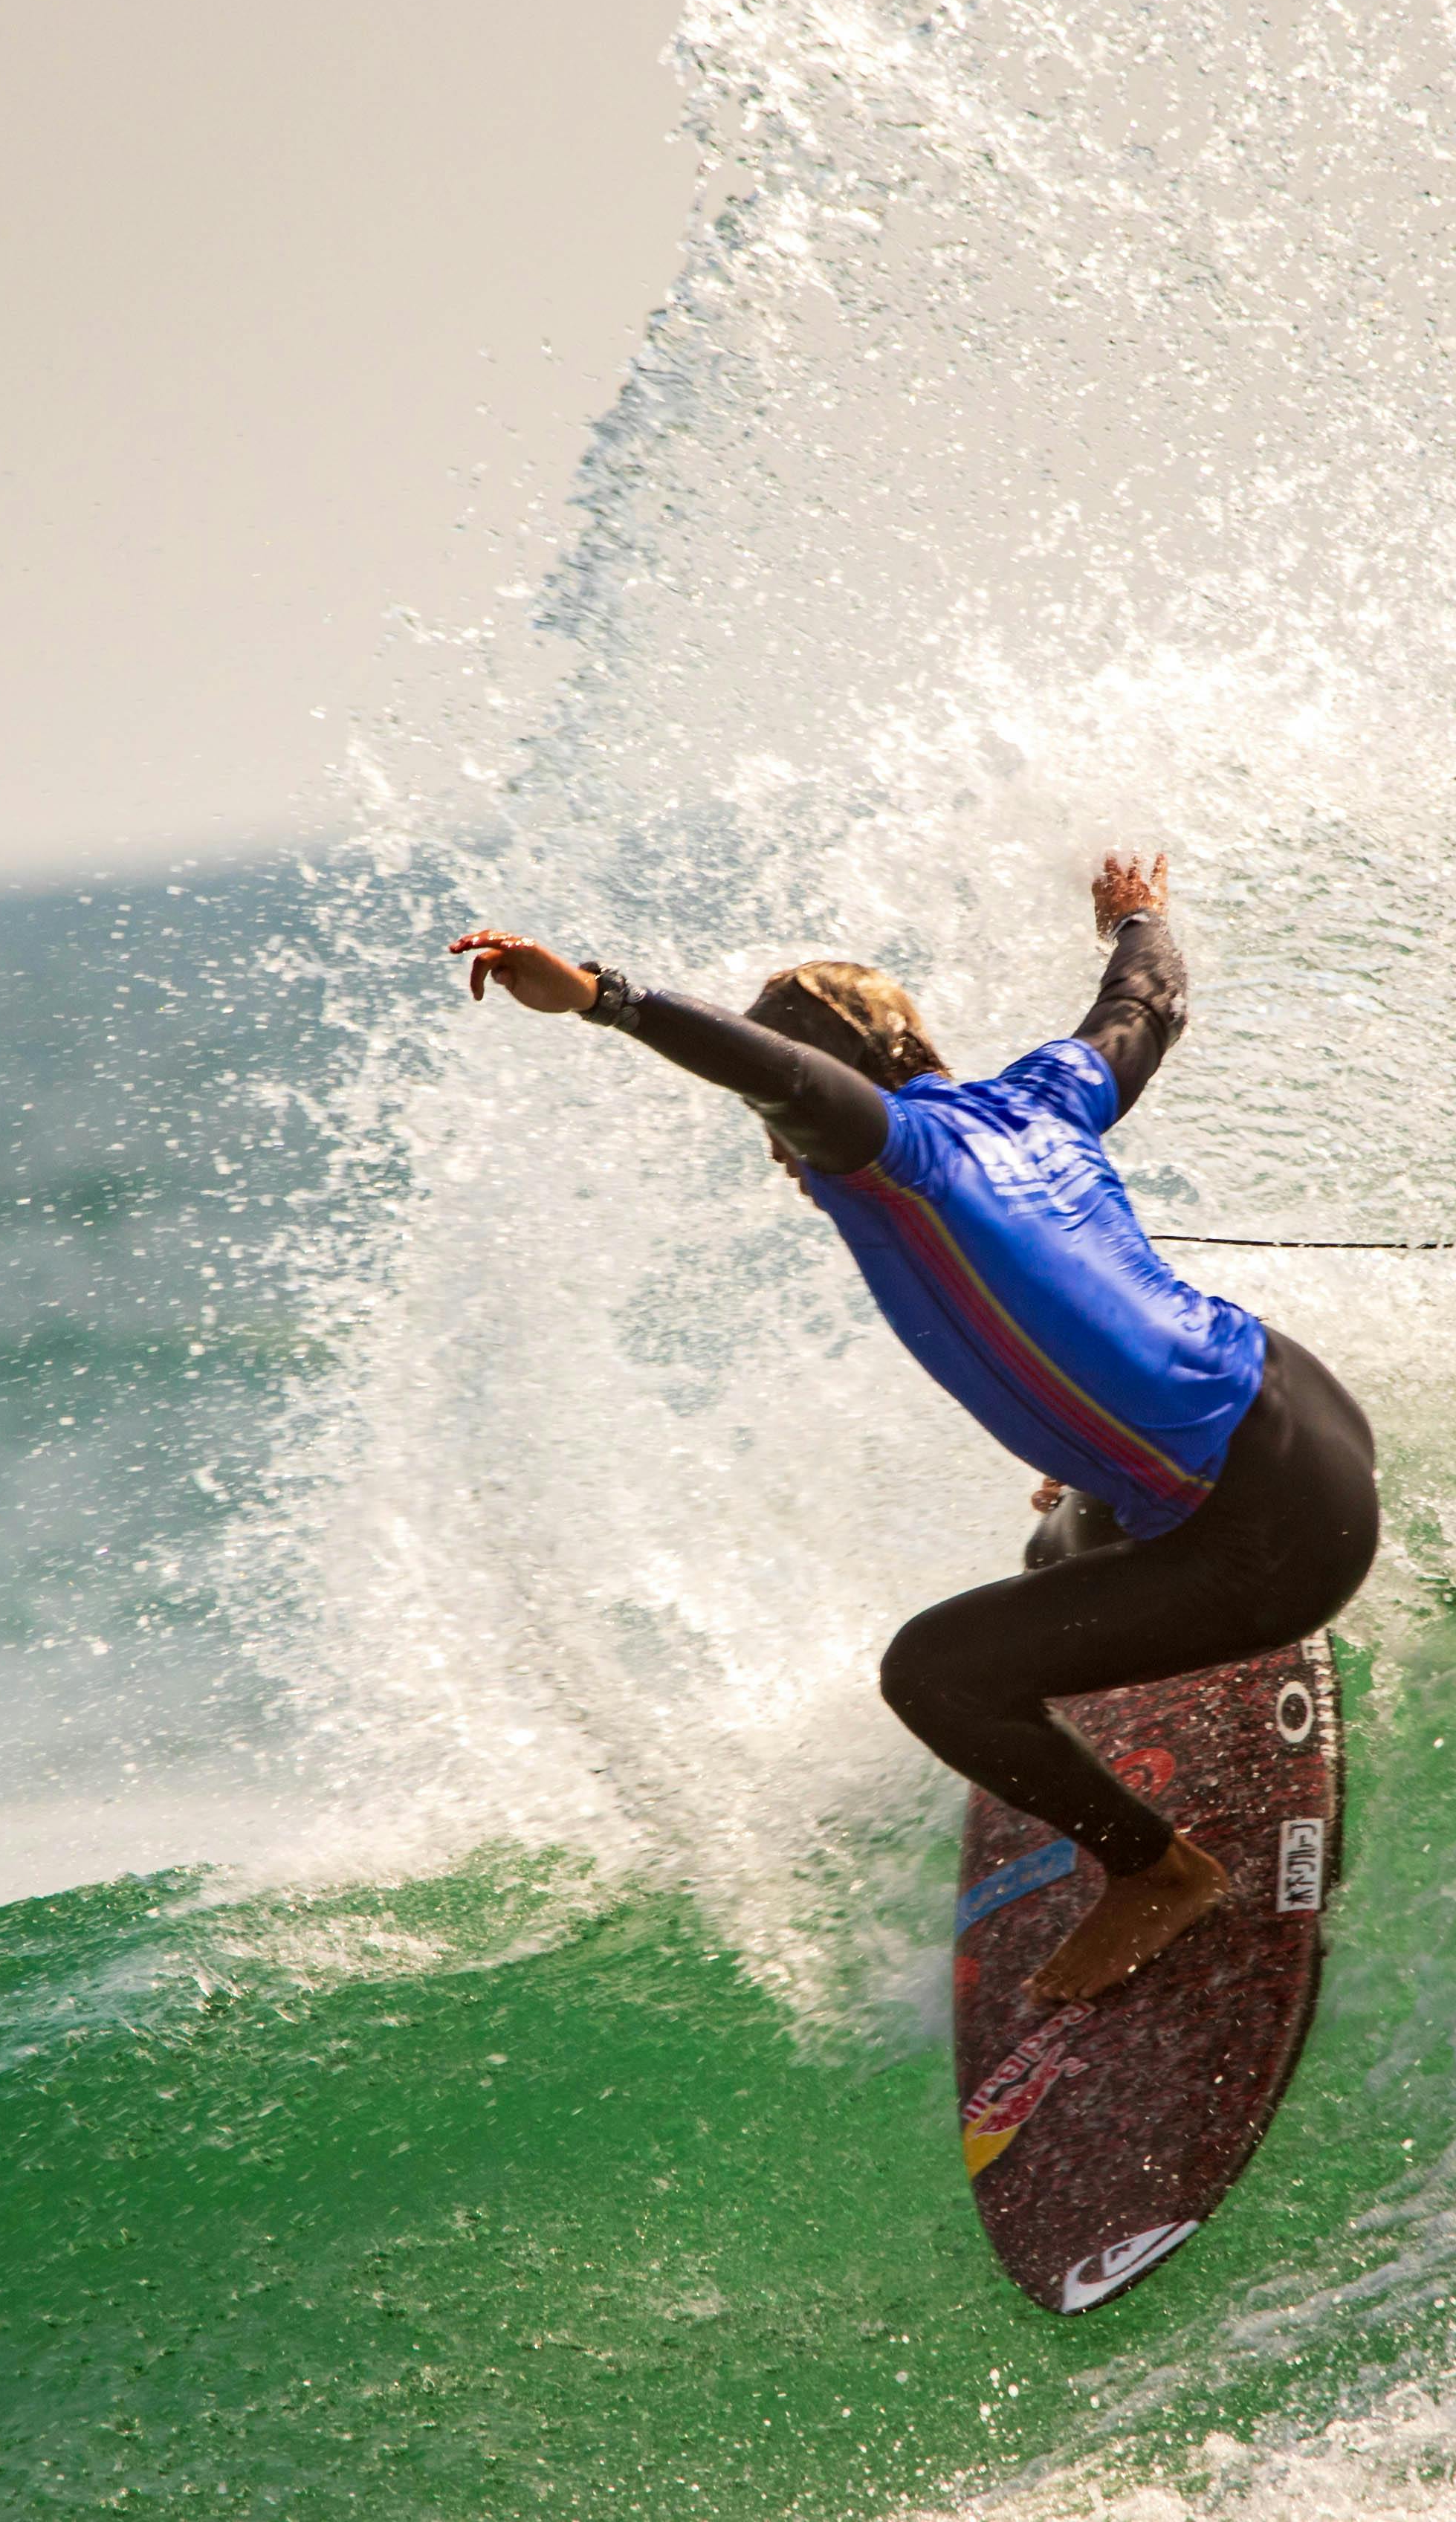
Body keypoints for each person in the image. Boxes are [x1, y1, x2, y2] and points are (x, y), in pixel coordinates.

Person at [450, 853, 1380, 2003]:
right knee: (1054, 1546)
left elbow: (784, 1074)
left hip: (1275, 1540)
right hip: (1307, 1415)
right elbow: (1147, 1004)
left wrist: (604, 995)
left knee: (935, 1677)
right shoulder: (1042, 1096)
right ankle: (1137, 1575)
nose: (779, 1150)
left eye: (776, 1124)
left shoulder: (889, 1155)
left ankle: (1159, 1873)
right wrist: (1138, 915)